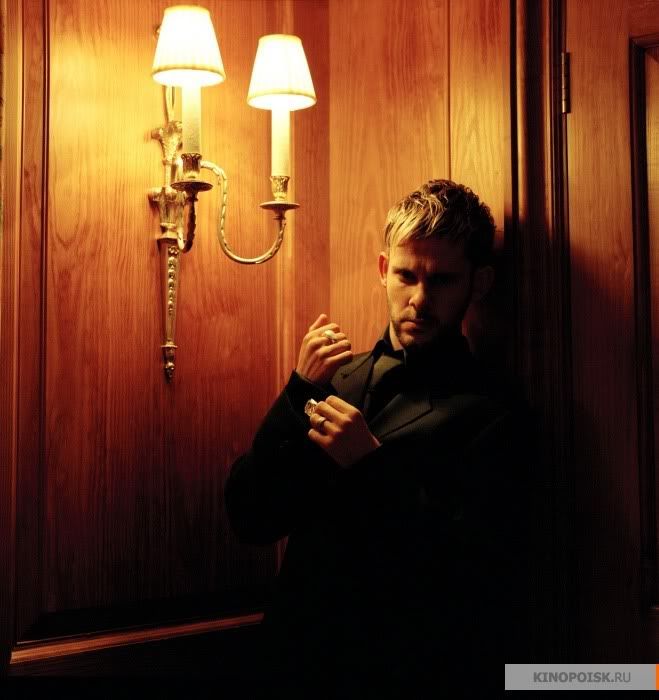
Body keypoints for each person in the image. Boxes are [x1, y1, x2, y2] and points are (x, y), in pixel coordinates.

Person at [225, 179, 530, 696]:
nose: (420, 300)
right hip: (291, 663)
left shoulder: (495, 412)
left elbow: (469, 573)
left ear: (479, 284)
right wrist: (297, 392)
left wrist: (369, 466)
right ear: (384, 269)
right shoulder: (336, 380)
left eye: (443, 280)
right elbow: (251, 517)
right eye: (407, 275)